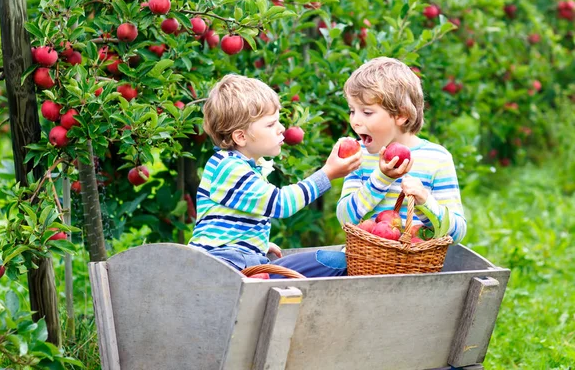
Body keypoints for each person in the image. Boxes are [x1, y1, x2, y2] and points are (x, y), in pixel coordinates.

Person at [274, 57, 467, 276]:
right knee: (328, 259)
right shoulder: (360, 156)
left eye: (366, 112)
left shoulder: (437, 159)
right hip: (363, 266)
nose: (355, 121)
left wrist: (424, 201)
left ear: (401, 115)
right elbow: (346, 219)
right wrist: (381, 179)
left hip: (414, 270)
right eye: (352, 110)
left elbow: (457, 232)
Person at [188, 74, 361, 275]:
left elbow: (231, 220)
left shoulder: (246, 166)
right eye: (270, 124)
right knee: (335, 262)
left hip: (242, 262)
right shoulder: (229, 169)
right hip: (225, 268)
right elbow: (280, 203)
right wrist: (327, 174)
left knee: (337, 261)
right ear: (241, 136)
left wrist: (256, 243)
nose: (282, 129)